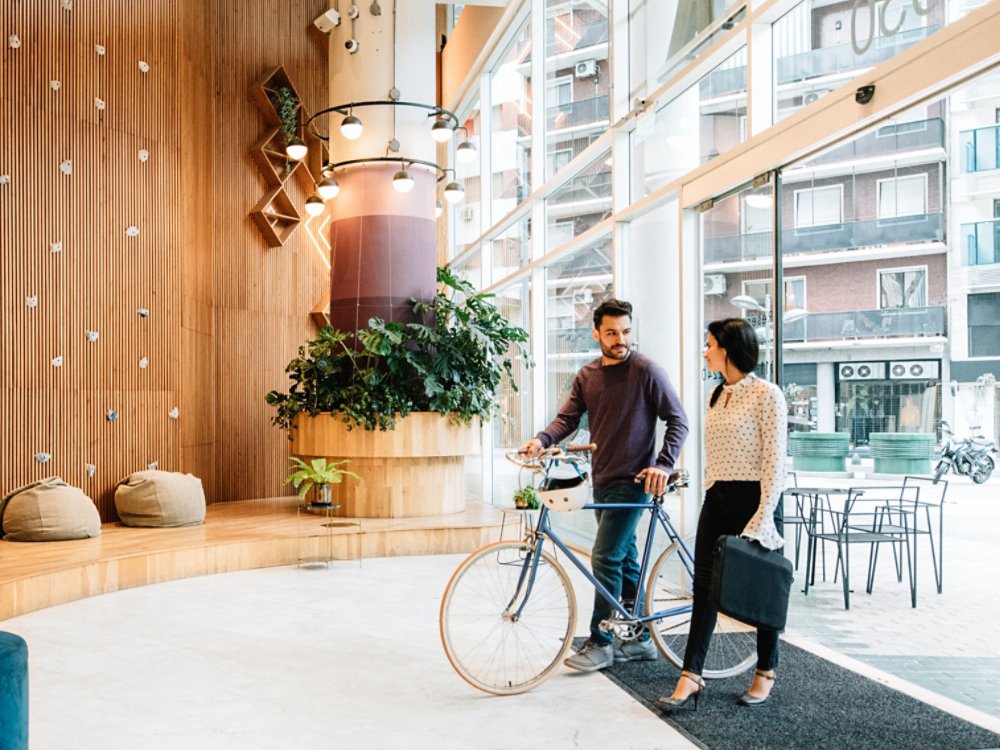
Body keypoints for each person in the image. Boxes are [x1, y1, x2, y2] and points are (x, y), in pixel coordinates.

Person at [521, 298, 689, 672]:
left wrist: (662, 465)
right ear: (597, 333)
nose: (621, 339)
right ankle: (641, 639)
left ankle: (601, 641)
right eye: (612, 332)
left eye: (626, 331)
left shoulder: (647, 371)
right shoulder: (587, 375)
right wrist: (542, 440)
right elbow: (567, 419)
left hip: (635, 482)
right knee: (625, 558)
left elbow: (678, 421)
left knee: (605, 557)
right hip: (603, 479)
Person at [657, 317, 788, 709]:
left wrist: (763, 517)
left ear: (727, 348)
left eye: (709, 343)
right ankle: (691, 675)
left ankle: (766, 669)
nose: (705, 350)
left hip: (757, 501)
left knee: (762, 591)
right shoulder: (716, 394)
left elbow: (774, 463)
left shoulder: (768, 395)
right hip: (717, 498)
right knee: (704, 590)